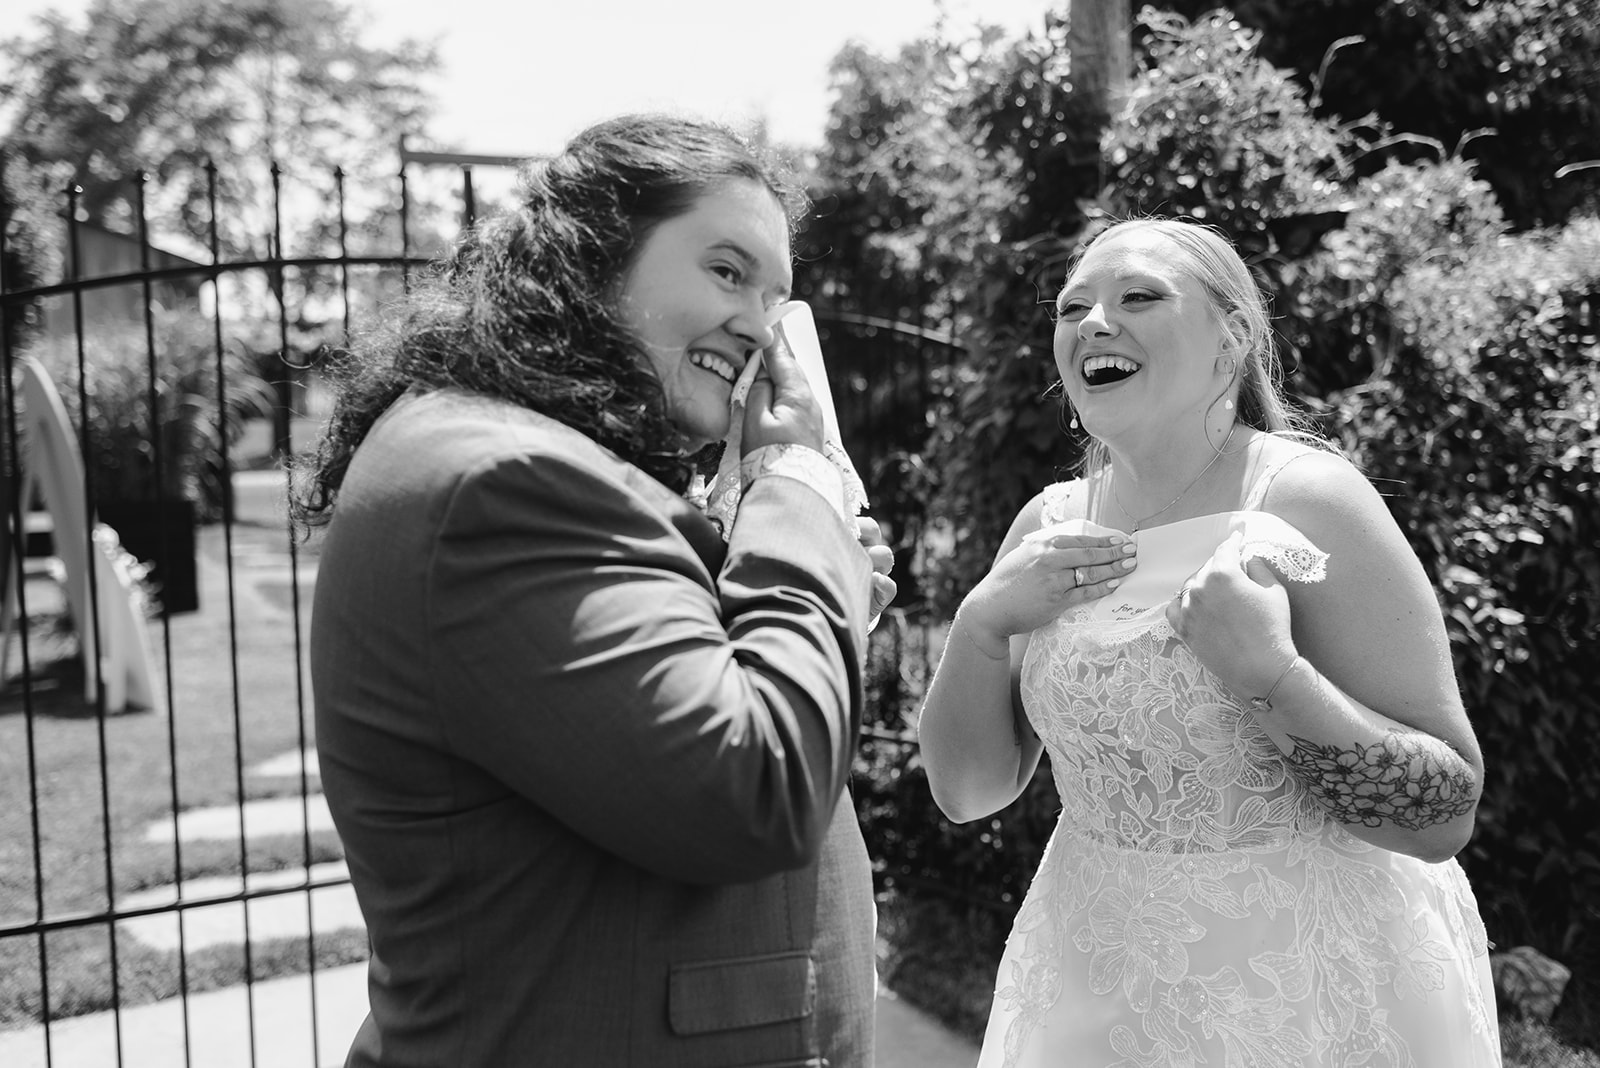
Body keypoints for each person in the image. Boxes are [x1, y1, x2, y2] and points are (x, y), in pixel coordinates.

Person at [292, 113, 895, 1067]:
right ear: (592, 256)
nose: (761, 327)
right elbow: (754, 785)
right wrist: (795, 487)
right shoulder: (509, 482)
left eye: (778, 295)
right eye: (727, 270)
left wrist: (817, 588)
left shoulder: (545, 458)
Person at [919, 218, 1501, 1067]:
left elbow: (1444, 812)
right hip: (1095, 986)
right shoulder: (1047, 525)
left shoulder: (1310, 502)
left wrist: (1270, 673)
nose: (1093, 322)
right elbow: (967, 792)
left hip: (1305, 997)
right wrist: (981, 622)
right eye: (1072, 306)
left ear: (1229, 344)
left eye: (1139, 297)